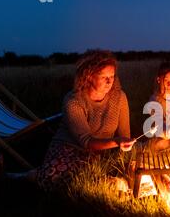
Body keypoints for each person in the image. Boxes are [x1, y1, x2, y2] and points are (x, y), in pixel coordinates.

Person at [37, 50, 135, 188]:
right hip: (69, 147)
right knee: (52, 176)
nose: (109, 81)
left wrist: (125, 145)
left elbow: (125, 134)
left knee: (95, 176)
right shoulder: (74, 101)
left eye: (112, 76)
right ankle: (33, 175)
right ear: (89, 77)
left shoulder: (119, 97)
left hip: (101, 151)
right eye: (103, 77)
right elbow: (86, 142)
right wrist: (117, 142)